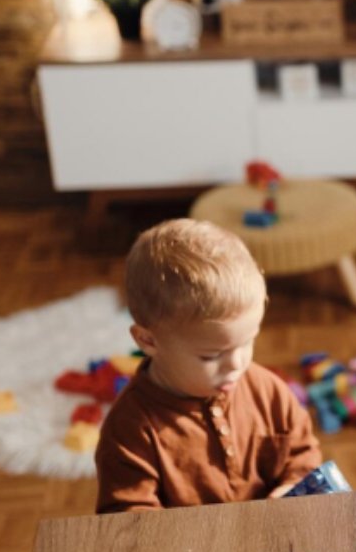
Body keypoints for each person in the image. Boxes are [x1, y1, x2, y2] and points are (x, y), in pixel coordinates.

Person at [95, 219, 324, 513]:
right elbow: (126, 517)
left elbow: (302, 455)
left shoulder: (268, 390)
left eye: (247, 342)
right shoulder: (130, 429)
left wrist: (292, 487)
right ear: (147, 340)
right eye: (211, 356)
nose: (237, 364)